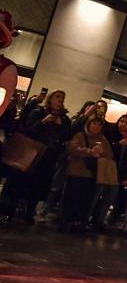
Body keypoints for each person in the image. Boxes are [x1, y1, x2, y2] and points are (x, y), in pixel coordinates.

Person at [3, 90, 71, 223]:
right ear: (50, 99)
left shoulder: (64, 118)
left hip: (48, 156)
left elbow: (67, 137)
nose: (60, 100)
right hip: (32, 151)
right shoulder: (38, 112)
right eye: (57, 97)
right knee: (19, 182)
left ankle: (29, 211)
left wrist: (60, 126)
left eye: (62, 98)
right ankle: (9, 210)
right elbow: (28, 129)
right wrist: (43, 122)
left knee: (38, 185)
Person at [59, 117, 110, 232]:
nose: (96, 127)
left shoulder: (103, 140)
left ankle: (78, 223)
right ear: (88, 124)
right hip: (76, 171)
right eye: (94, 124)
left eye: (99, 125)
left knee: (85, 200)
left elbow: (109, 155)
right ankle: (65, 221)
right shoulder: (80, 136)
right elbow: (72, 148)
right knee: (70, 198)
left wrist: (102, 153)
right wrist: (88, 152)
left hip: (92, 174)